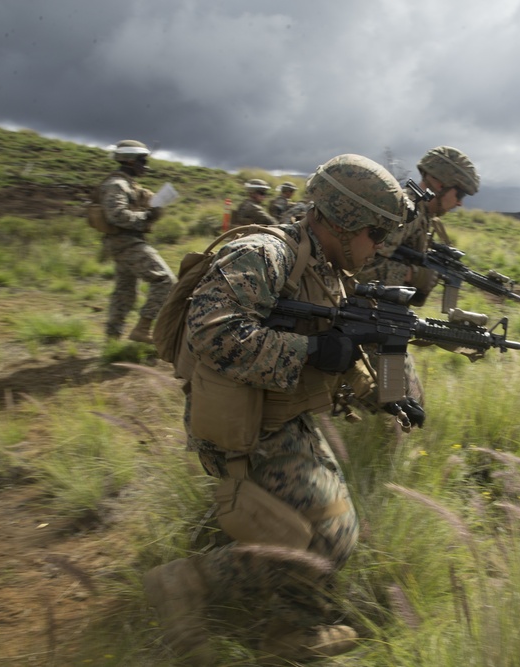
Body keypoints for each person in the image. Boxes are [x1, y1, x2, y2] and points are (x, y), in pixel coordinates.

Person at [142, 154, 424, 665]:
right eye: (375, 233)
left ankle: (286, 616)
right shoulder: (263, 253)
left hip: (277, 413)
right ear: (343, 220)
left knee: (332, 529)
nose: (379, 246)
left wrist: (386, 393)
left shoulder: (328, 268)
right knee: (318, 537)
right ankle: (190, 585)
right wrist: (311, 352)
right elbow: (214, 333)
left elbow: (339, 355)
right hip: (236, 425)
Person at [356, 146, 480, 403]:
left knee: (407, 402)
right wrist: (412, 275)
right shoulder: (404, 210)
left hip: (383, 318)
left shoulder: (423, 216)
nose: (459, 202)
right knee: (404, 404)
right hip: (364, 317)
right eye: (460, 193)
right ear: (439, 183)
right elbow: (358, 270)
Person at [97, 139, 176, 344]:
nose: (145, 165)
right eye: (142, 160)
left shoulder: (129, 185)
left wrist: (155, 208)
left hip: (124, 242)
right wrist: (146, 217)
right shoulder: (117, 185)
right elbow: (117, 215)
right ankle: (142, 329)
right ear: (130, 161)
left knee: (125, 292)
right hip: (125, 242)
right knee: (165, 281)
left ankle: (112, 340)